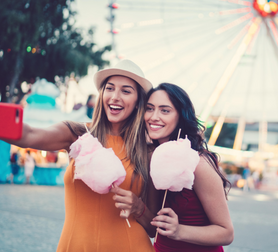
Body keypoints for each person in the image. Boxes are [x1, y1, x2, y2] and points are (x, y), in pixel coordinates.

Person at [0, 59, 161, 252]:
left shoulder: (149, 152)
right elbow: (30, 135)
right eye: (110, 88)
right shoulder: (77, 134)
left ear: (138, 102)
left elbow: (153, 229)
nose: (115, 96)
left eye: (126, 91)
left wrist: (139, 208)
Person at [145, 83, 234, 252]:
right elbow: (152, 222)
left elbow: (226, 232)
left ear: (181, 116)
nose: (153, 116)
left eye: (165, 110)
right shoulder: (152, 157)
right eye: (149, 109)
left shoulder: (198, 164)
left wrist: (179, 230)